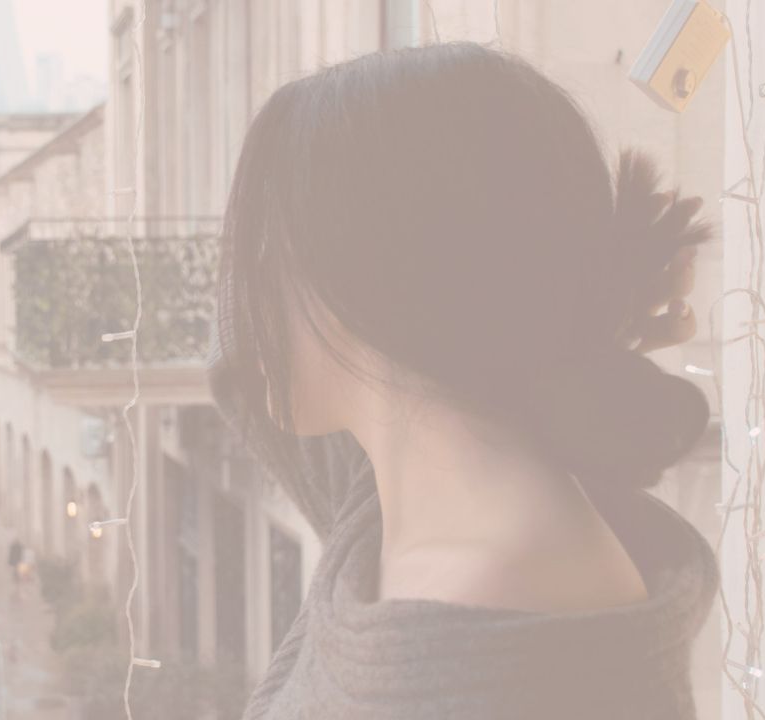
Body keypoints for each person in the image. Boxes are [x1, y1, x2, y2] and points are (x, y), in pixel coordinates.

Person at [209, 43, 714, 719]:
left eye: (269, 260)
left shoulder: (499, 620)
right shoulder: (392, 500)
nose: (249, 301)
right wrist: (576, 329)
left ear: (371, 271)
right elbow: (237, 382)